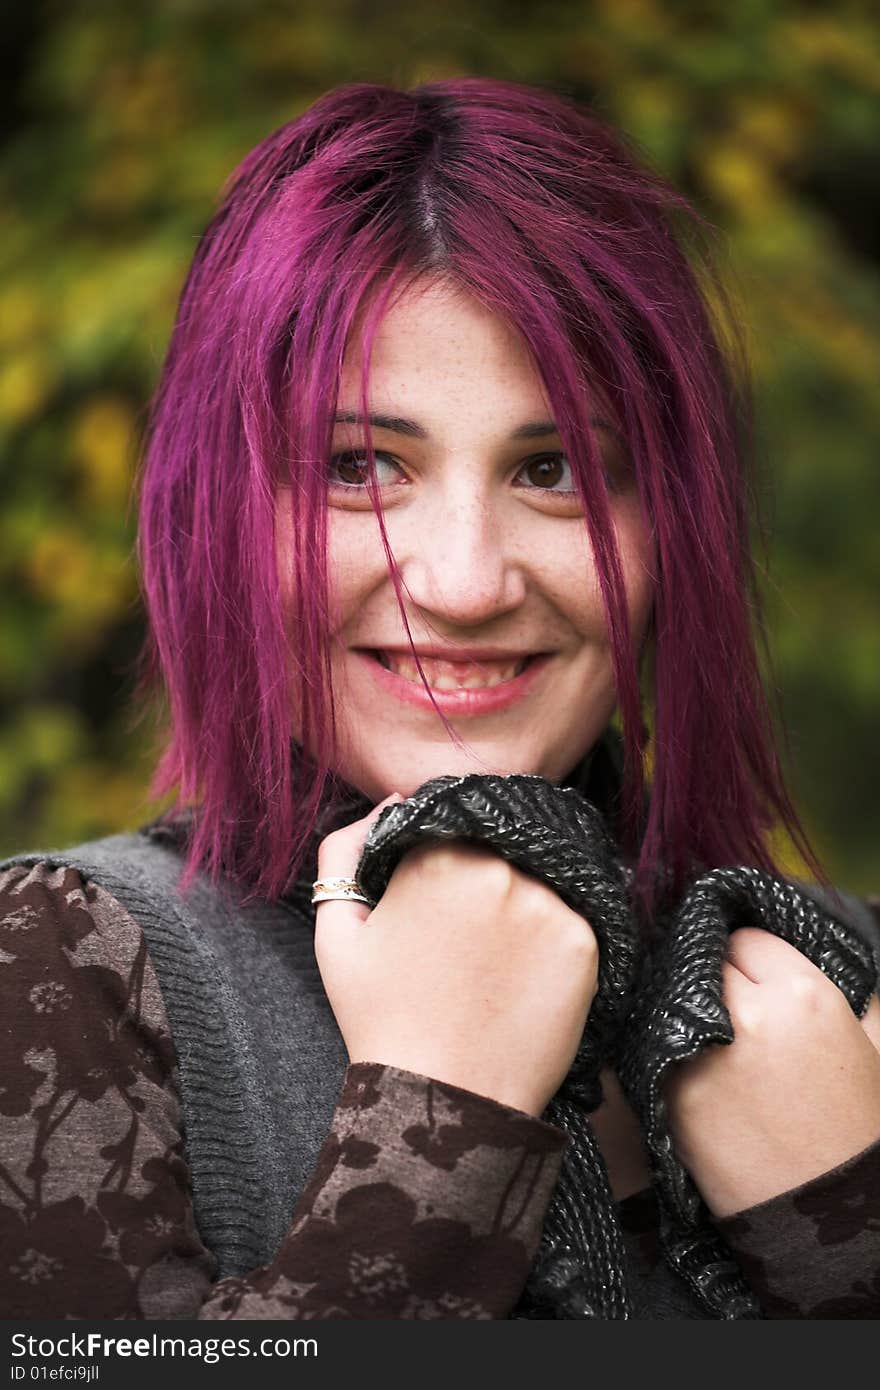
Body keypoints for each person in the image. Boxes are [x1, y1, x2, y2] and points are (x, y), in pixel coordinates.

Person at [1, 76, 879, 1322]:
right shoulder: (68, 975)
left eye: (556, 466)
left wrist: (845, 1230)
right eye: (361, 467)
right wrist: (438, 1122)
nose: (464, 582)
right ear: (220, 510)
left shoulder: (844, 984)